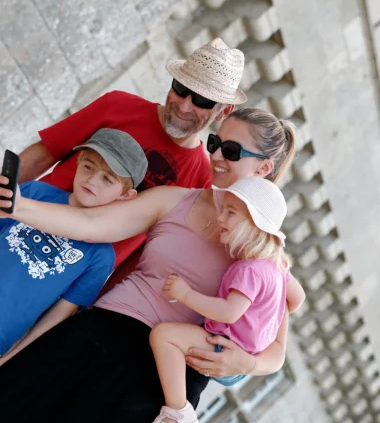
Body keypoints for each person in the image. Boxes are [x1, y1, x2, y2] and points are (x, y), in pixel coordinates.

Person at [0, 107, 297, 423]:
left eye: (231, 151)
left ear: (263, 168)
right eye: (215, 143)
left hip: (160, 381)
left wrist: (248, 362)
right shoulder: (175, 199)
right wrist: (19, 206)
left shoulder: (268, 252)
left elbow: (277, 349)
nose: (216, 156)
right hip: (100, 334)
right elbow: (90, 224)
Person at [18, 37, 245, 268]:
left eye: (202, 101)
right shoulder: (118, 105)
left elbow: (148, 252)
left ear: (224, 110)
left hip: (71, 274)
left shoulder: (202, 182)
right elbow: (45, 152)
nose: (184, 106)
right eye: (181, 88)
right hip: (21, 221)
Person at [137, 177, 305, 423]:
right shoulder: (276, 266)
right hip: (243, 353)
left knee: (163, 336)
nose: (220, 216)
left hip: (224, 347)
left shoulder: (249, 270)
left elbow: (229, 313)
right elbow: (297, 298)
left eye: (231, 212)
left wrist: (185, 294)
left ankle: (178, 411)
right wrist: (266, 314)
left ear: (254, 226)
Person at [0, 128, 147, 365]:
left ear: (126, 196)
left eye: (107, 179)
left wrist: (12, 359)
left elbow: (58, 316)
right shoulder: (35, 194)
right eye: (89, 166)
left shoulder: (100, 257)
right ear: (78, 162)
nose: (92, 180)